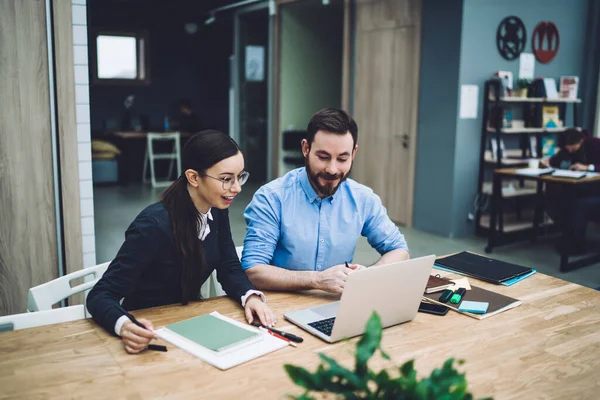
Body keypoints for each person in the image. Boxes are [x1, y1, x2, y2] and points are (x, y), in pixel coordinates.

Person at [87, 130, 276, 354]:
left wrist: (250, 296)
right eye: (226, 179)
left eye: (239, 177)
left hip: (190, 324)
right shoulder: (153, 225)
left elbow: (228, 266)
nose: (237, 188)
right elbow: (100, 295)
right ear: (194, 177)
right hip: (151, 332)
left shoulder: (216, 209)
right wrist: (125, 326)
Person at [241, 108, 409, 294]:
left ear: (353, 153)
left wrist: (367, 276)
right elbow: (253, 272)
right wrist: (318, 280)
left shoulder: (363, 198)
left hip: (336, 305)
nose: (332, 169)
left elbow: (399, 250)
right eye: (323, 157)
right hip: (280, 305)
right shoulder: (272, 198)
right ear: (306, 148)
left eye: (342, 159)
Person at [542, 129, 600, 254]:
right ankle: (569, 237)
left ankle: (577, 245)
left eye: (570, 146)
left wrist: (589, 167)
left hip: (597, 191)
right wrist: (548, 162)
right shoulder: (569, 148)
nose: (568, 149)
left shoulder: (595, 144)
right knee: (558, 199)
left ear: (580, 141)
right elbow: (557, 159)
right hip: (583, 188)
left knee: (578, 205)